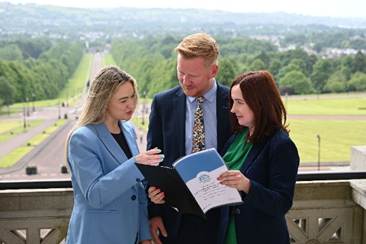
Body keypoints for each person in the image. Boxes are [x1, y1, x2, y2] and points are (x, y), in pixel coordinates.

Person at [147, 33, 232, 244]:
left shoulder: (234, 103)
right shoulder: (162, 103)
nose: (185, 81)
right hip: (174, 221)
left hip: (223, 216)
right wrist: (153, 212)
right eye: (180, 73)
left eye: (192, 75)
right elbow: (153, 162)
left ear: (213, 70)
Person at [65, 66, 163, 244]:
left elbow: (137, 191)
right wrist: (135, 165)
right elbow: (95, 195)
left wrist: (144, 235)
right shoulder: (82, 138)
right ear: (104, 101)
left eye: (133, 96)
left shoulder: (128, 130)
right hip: (96, 236)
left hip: (130, 236)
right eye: (123, 100)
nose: (131, 105)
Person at [217, 70, 300, 244]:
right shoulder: (237, 137)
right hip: (228, 233)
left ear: (259, 103)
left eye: (239, 102)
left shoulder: (281, 145)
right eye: (232, 102)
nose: (233, 109)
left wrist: (247, 185)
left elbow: (281, 204)